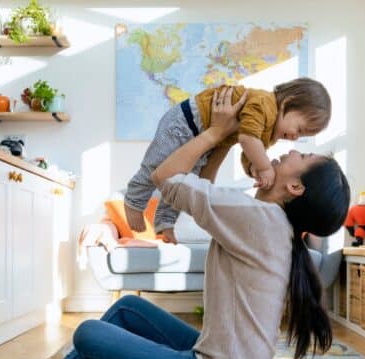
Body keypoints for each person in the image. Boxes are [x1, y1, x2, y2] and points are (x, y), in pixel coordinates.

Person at [0, 87, 350, 359]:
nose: (288, 149)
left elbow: (165, 176)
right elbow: (199, 189)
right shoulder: (267, 222)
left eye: (299, 154)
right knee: (127, 308)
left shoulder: (258, 218)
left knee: (87, 334)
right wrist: (223, 141)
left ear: (295, 186)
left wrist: (215, 131)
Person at [124, 78, 333, 243]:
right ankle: (134, 200)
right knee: (155, 163)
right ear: (288, 104)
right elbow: (247, 138)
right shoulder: (265, 104)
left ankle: (164, 221)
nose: (295, 139)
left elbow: (247, 150)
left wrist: (253, 167)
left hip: (206, 134)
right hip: (187, 121)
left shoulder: (269, 132)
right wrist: (264, 167)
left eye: (302, 136)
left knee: (185, 178)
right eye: (299, 129)